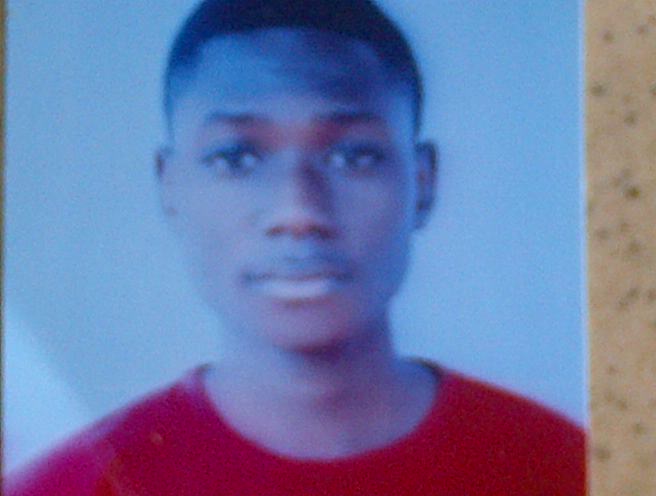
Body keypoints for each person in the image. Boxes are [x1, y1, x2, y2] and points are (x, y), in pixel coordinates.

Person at [5, 0, 586, 494]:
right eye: (236, 158)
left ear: (423, 181)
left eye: (353, 156)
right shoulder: (65, 488)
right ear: (170, 186)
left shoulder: (572, 468)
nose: (299, 212)